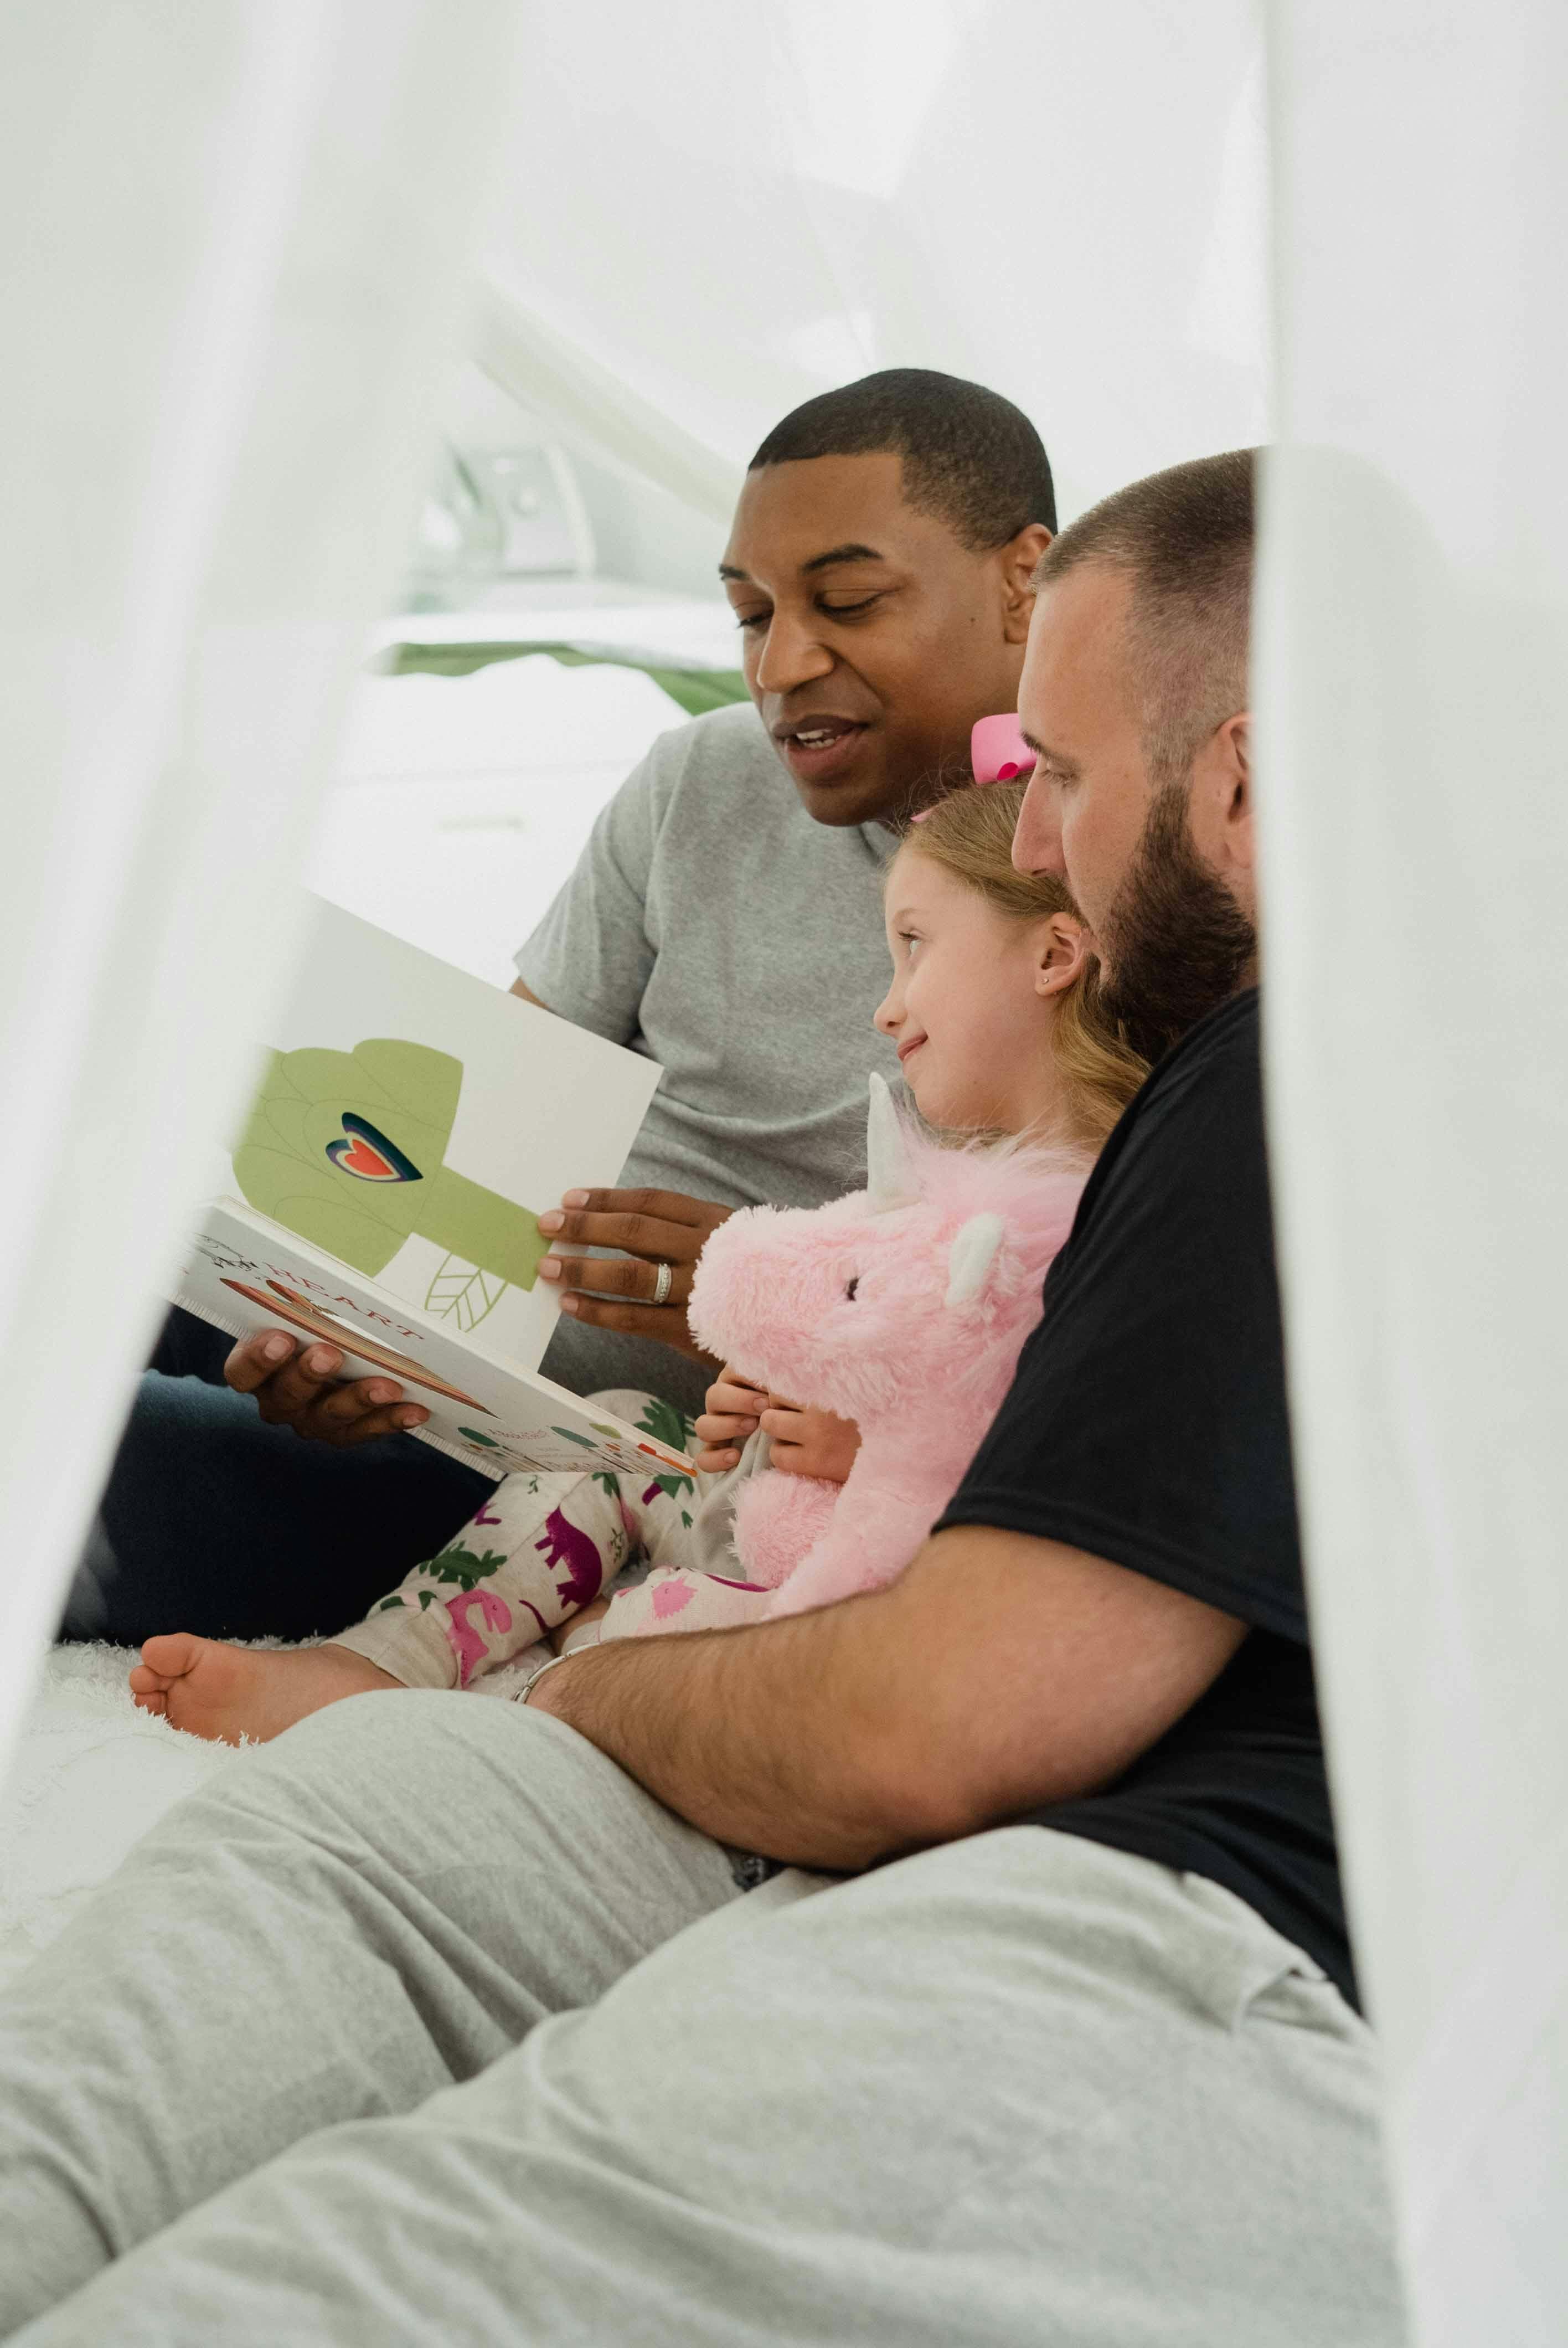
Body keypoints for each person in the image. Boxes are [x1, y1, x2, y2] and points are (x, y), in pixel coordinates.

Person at [0, 450, 1406, 2347]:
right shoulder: (1182, 1062)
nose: (1037, 831)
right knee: (319, 1841)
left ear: (1236, 784)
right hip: (791, 1684)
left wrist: (580, 1680)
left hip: (1159, 1903)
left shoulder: (1295, 1067)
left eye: (1060, 779)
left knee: (369, 2253)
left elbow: (937, 1720)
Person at [68, 367, 1059, 1646]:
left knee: (67, 1460)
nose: (781, 664)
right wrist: (353, 1317)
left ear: (1022, 579)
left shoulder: (1089, 913)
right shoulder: (697, 781)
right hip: (445, 1359)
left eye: (848, 601)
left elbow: (1004, 1357)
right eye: (751, 614)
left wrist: (746, 1296)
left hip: (591, 1477)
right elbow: (494, 1108)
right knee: (72, 1237)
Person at [125, 780, 1146, 1742]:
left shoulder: (1115, 1208)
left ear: (1056, 955)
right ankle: (378, 1664)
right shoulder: (933, 1182)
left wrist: (865, 1450)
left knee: (671, 1643)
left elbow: (1068, 1461)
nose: (886, 1009)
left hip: (857, 1596)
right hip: (765, 1518)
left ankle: (558, 1679)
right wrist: (762, 1403)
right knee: (611, 1434)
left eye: (915, 949)